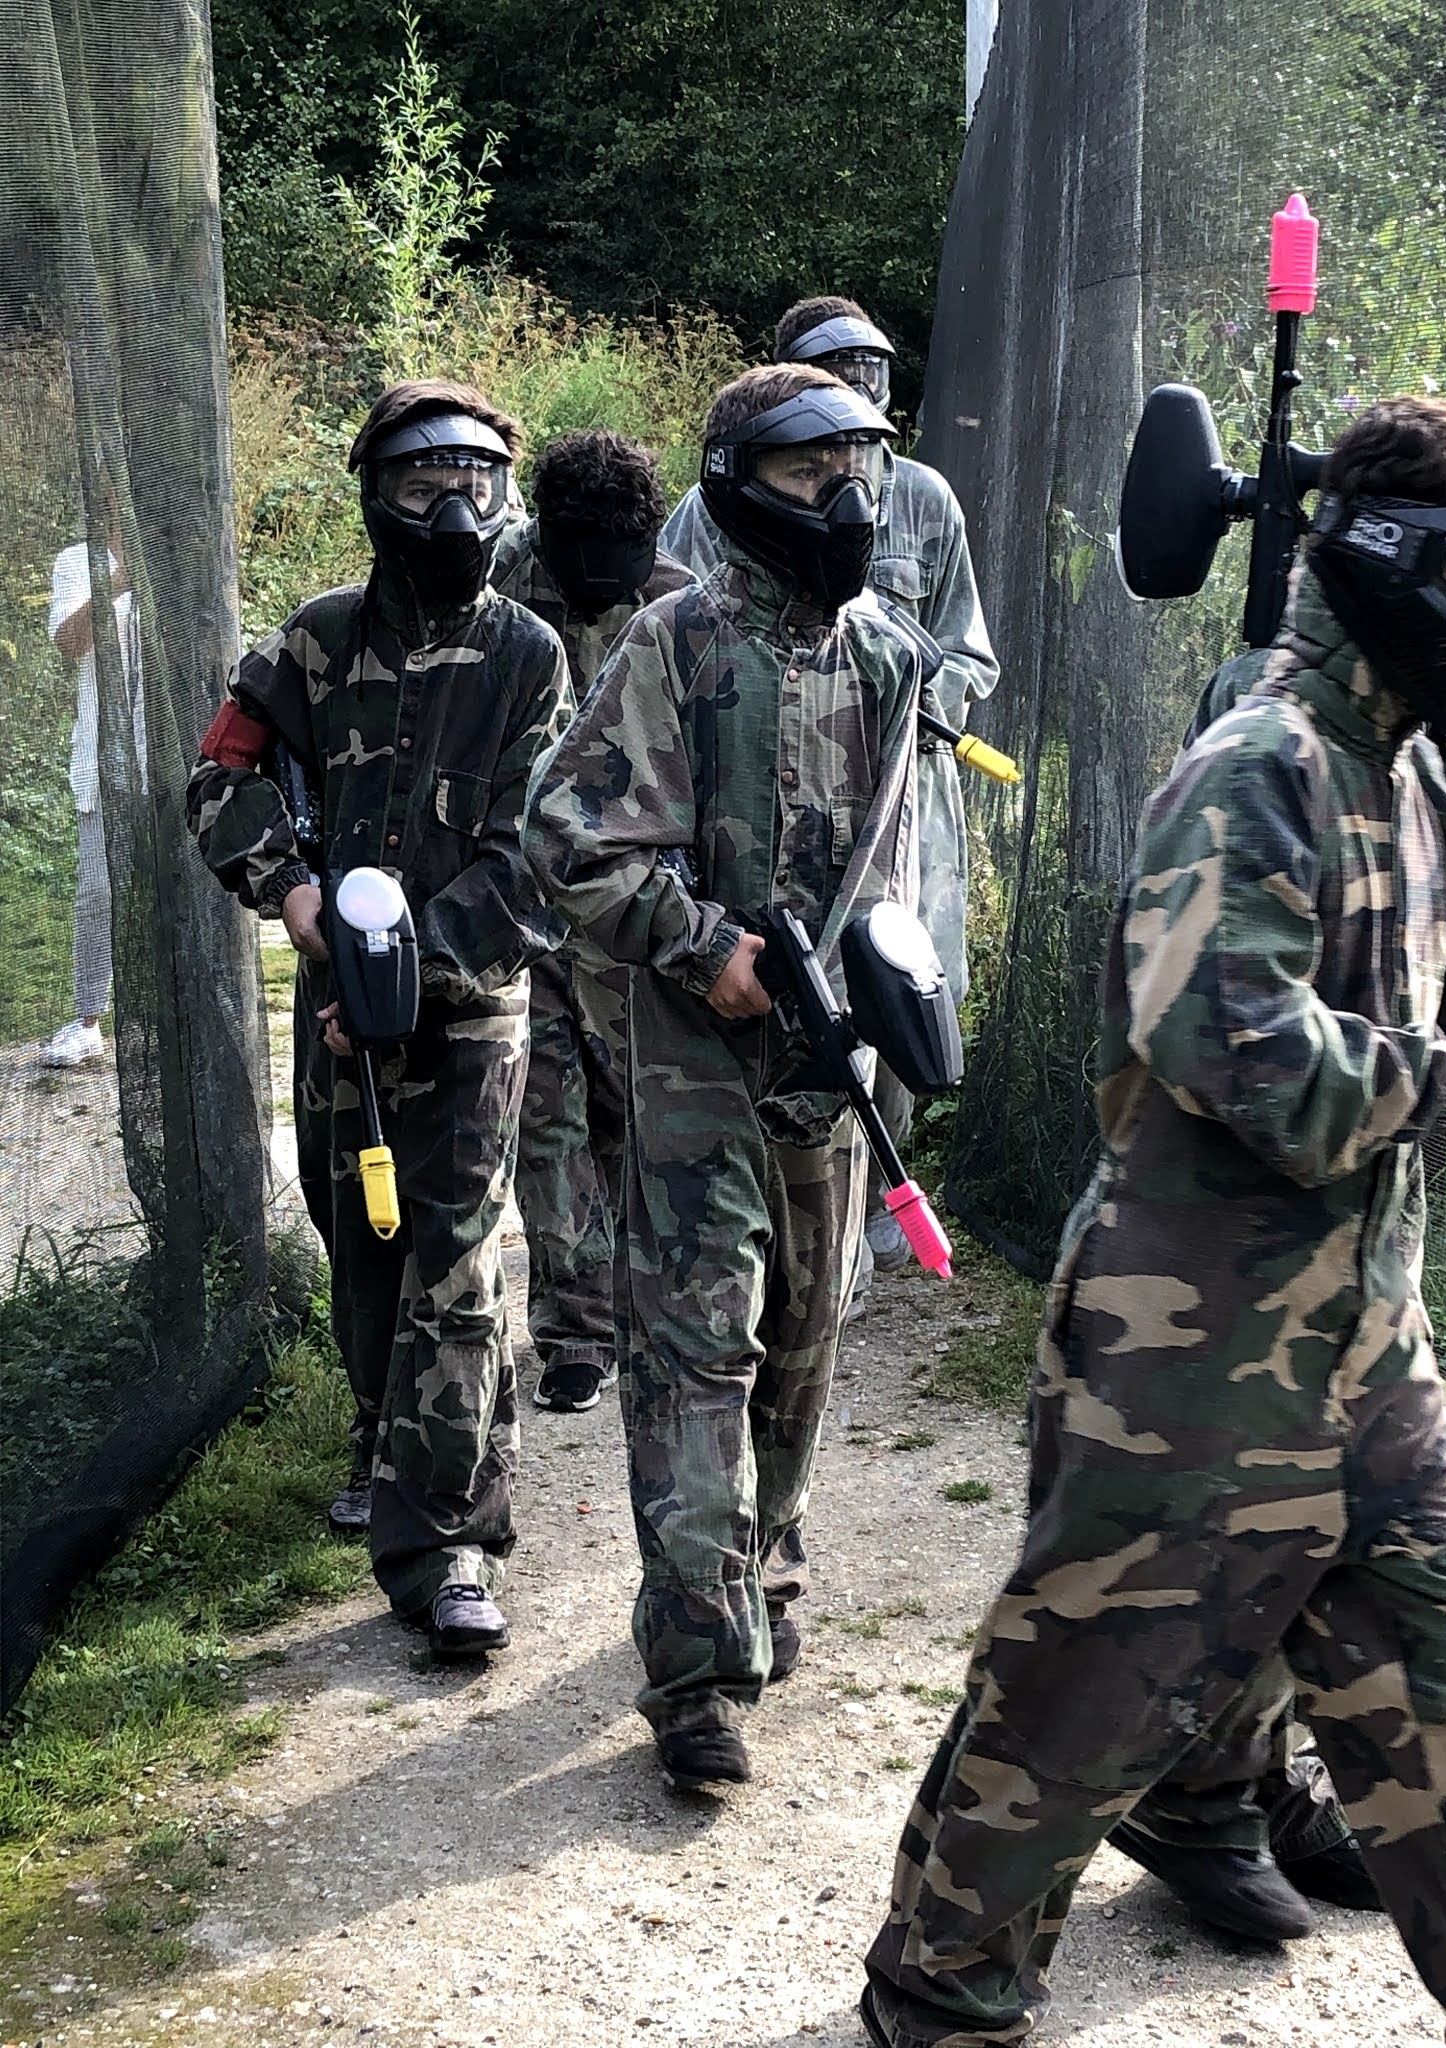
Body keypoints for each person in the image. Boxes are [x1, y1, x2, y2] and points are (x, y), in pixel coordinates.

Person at [861, 395, 1446, 2048]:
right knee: (1076, 1711)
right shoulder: (1259, 767)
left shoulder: (1426, 774)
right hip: (1184, 1354)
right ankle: (940, 1996)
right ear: (1397, 568)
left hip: (1366, 1346)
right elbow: (1232, 1046)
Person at [1115, 407, 1446, 1945]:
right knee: (1115, 1651)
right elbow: (1231, 1046)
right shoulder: (1260, 750)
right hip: (1199, 1279)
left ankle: (1260, 1804)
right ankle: (979, 1950)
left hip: (1366, 1273)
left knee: (1428, 1622)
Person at [526, 364, 931, 1788]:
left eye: (858, 471)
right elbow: (567, 830)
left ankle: (764, 1564)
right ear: (742, 486)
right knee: (699, 1350)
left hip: (829, 1061)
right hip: (694, 1058)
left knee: (807, 1335)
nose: (846, 500)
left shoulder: (886, 657)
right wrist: (702, 946)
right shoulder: (678, 642)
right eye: (814, 474)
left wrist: (897, 997)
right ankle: (694, 1668)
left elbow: (894, 868)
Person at [187, 379, 574, 1660]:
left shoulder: (528, 654)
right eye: (423, 485)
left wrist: (404, 974)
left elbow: (535, 855)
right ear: (377, 496)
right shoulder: (316, 642)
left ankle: (450, 1542)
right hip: (338, 1017)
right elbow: (220, 773)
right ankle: (382, 1427)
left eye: (476, 484)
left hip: (471, 1012)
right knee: (360, 1236)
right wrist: (288, 888)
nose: (454, 510)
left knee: (458, 1258)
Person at [661, 296, 999, 1282]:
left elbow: (969, 652)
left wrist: (915, 689)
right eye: (838, 371)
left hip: (899, 793)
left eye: (873, 372)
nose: (860, 390)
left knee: (892, 984)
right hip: (758, 787)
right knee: (767, 988)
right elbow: (677, 614)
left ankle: (867, 1202)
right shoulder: (720, 497)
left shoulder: (922, 497)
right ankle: (763, 1205)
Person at [491, 430, 694, 1414]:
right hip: (519, 897)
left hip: (631, 900)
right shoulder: (500, 583)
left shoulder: (681, 602)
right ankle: (575, 1331)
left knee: (630, 1108)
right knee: (548, 1111)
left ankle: (645, 1309)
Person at [42, 523, 143, 1068]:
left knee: (190, 891)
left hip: (178, 760)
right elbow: (68, 643)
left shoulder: (183, 551)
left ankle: (192, 1012)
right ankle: (88, 1021)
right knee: (98, 893)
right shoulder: (76, 560)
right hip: (104, 760)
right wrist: (119, 581)